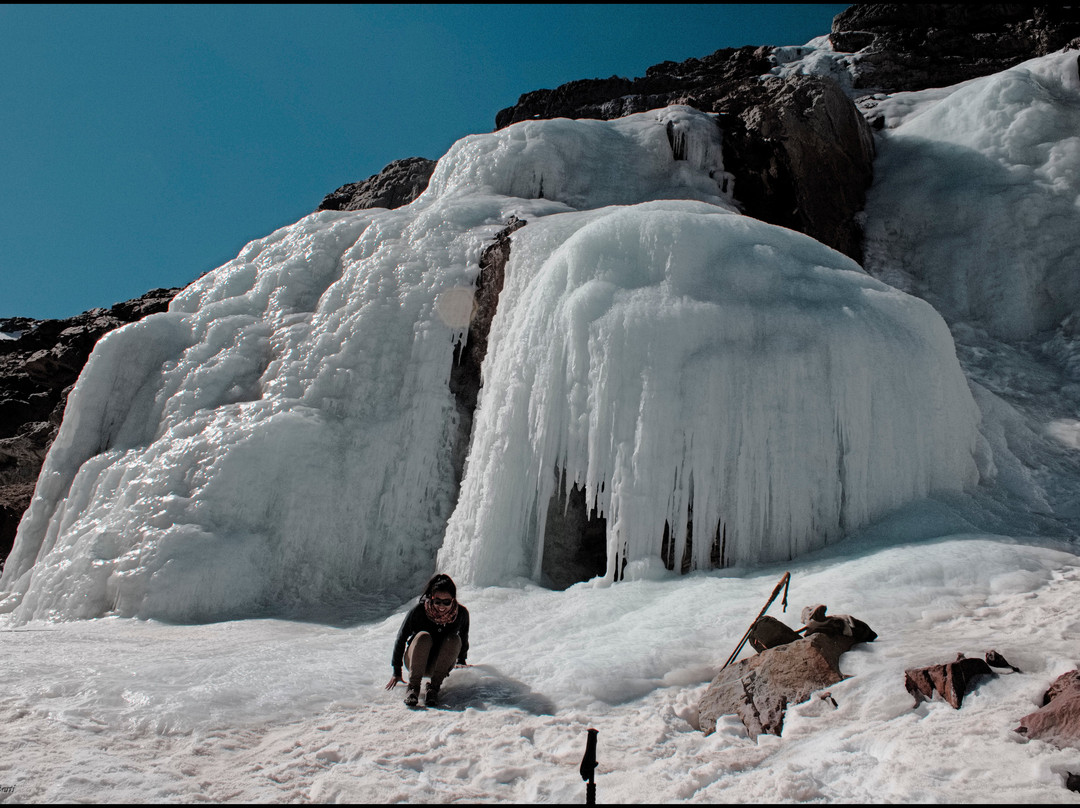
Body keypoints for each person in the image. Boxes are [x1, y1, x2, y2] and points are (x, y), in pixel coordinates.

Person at [385, 573, 470, 707]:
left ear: (453, 600)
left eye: (446, 602)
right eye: (437, 601)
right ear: (431, 598)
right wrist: (396, 671)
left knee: (454, 639)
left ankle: (433, 689)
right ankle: (413, 688)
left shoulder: (461, 614)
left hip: (439, 666)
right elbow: (401, 638)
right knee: (423, 637)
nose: (441, 606)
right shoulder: (419, 611)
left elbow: (463, 637)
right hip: (415, 662)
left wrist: (462, 660)